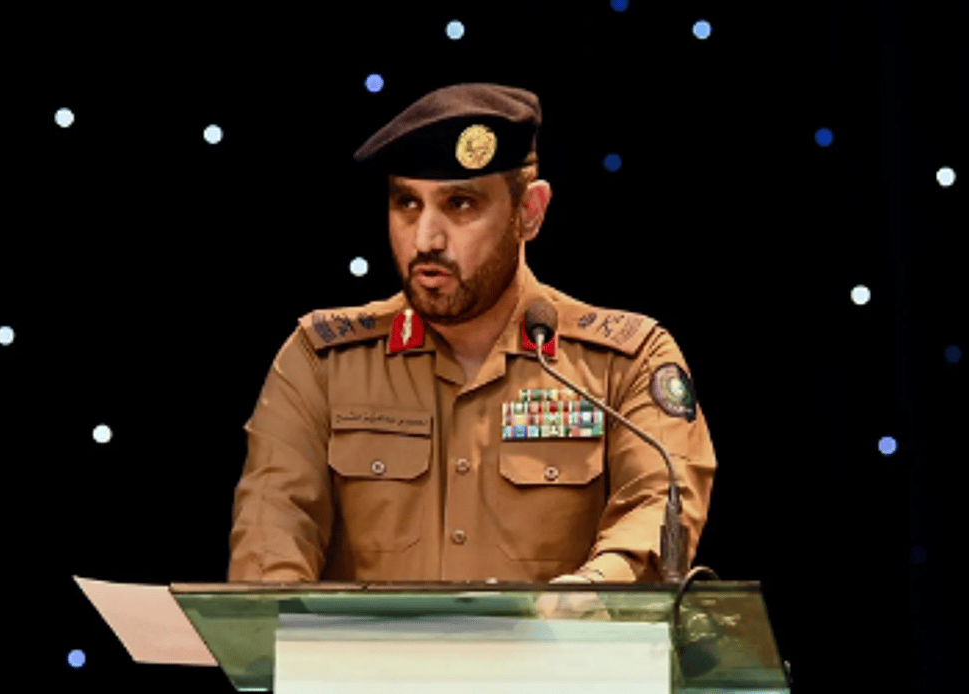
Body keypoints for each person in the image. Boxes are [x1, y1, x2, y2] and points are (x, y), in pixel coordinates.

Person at [228, 83, 717, 585]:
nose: (426, 239)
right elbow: (270, 539)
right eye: (407, 203)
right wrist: (282, 617)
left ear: (529, 212)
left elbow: (659, 507)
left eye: (460, 204)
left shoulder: (625, 362)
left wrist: (583, 600)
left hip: (561, 637)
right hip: (370, 643)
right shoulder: (322, 361)